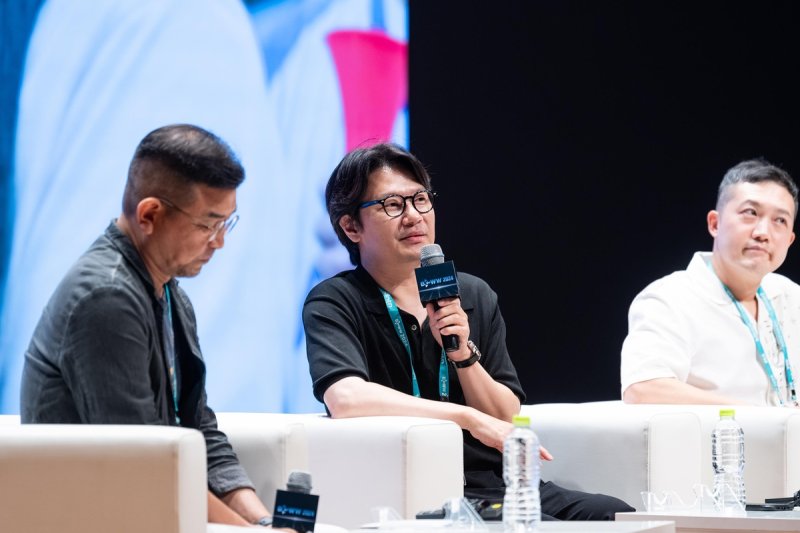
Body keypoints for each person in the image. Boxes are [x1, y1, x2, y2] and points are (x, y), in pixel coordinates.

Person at [302, 142, 635, 520]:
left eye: (420, 200)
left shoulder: (472, 294)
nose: (413, 216)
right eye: (392, 205)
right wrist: (465, 418)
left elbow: (506, 416)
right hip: (413, 491)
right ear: (351, 227)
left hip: (497, 484)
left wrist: (463, 355)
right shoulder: (334, 300)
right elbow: (346, 398)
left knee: (617, 516)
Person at [20, 124, 273, 527]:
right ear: (150, 214)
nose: (219, 242)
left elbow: (199, 430)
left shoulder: (169, 292)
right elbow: (146, 465)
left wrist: (263, 523)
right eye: (208, 225)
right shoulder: (105, 299)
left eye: (227, 223)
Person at [621, 158, 800, 407]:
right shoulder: (669, 298)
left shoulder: (792, 296)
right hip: (721, 435)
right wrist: (763, 419)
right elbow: (643, 389)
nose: (763, 233)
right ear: (715, 224)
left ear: (789, 240)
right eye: (750, 213)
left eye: (780, 220)